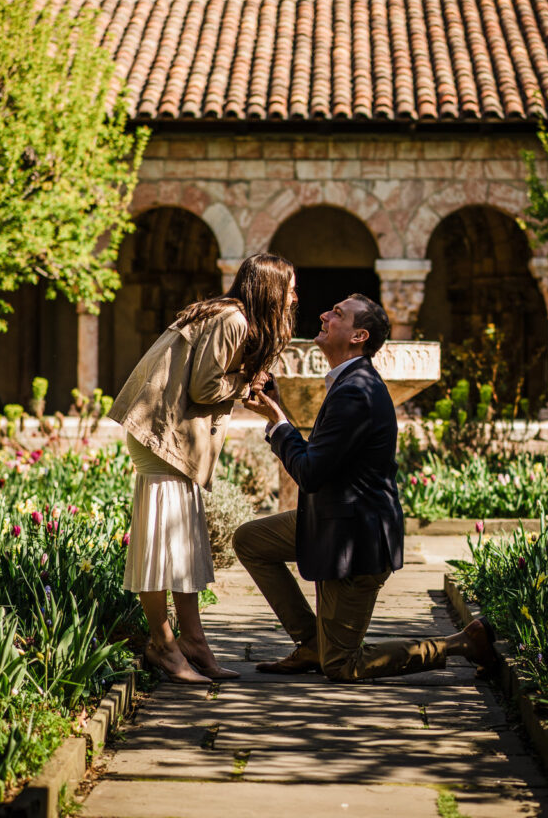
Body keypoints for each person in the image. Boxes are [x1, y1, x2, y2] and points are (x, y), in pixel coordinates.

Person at [234, 293, 496, 681]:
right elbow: (321, 463)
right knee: (251, 540)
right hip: (330, 521)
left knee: (343, 666)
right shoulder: (349, 383)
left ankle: (461, 643)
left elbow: (310, 472)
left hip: (355, 541)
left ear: (359, 335)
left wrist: (278, 423)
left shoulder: (356, 390)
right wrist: (279, 417)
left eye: (336, 313)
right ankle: (311, 642)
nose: (323, 314)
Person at [109, 253, 296, 684]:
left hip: (175, 437)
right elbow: (205, 386)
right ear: (269, 288)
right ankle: (162, 644)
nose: (294, 296)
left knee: (184, 543)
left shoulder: (229, 316)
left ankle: (193, 641)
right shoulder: (233, 319)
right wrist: (247, 383)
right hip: (163, 435)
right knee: (160, 547)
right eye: (288, 287)